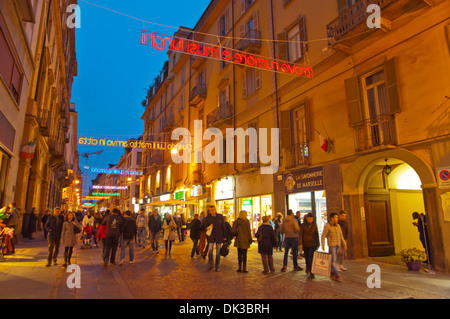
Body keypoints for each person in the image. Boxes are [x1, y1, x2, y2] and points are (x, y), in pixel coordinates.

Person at [321, 212, 347, 281]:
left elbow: (341, 235)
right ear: (332, 218)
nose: (337, 219)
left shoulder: (338, 226)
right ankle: (336, 274)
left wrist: (344, 244)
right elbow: (323, 236)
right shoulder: (328, 226)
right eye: (335, 217)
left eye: (337, 217)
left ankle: (331, 271)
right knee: (333, 260)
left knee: (333, 259)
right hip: (332, 245)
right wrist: (323, 245)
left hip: (338, 244)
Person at [202, 205, 227, 272]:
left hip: (219, 236)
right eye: (210, 210)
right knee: (210, 251)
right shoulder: (207, 218)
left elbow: (223, 226)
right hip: (211, 236)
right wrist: (207, 228)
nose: (212, 211)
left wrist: (224, 236)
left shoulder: (220, 216)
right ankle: (210, 264)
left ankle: (217, 266)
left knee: (218, 252)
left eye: (213, 210)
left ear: (215, 209)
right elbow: (204, 227)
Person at [299, 212, 320, 279]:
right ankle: (308, 267)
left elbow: (316, 234)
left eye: (311, 219)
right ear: (307, 218)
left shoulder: (314, 225)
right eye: (309, 219)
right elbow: (300, 235)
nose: (310, 220)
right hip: (305, 244)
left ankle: (312, 272)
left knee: (312, 258)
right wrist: (300, 244)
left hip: (312, 244)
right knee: (307, 258)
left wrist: (318, 243)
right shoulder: (303, 225)